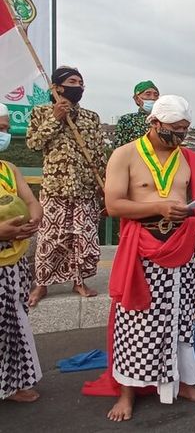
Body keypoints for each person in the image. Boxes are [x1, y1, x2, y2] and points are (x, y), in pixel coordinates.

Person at [82, 95, 195, 421]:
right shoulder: (124, 154)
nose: (180, 136)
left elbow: (194, 200)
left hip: (181, 248)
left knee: (180, 319)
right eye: (174, 129)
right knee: (137, 323)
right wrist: (158, 206)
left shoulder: (190, 159)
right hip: (142, 247)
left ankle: (182, 381)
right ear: (154, 123)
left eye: (185, 130)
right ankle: (127, 392)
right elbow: (114, 206)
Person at [26, 66, 107, 305]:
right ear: (57, 87)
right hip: (55, 188)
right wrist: (55, 118)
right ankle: (41, 284)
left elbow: (98, 153)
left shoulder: (91, 117)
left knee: (83, 238)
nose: (79, 86)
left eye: (81, 83)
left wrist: (103, 182)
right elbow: (34, 143)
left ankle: (79, 281)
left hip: (85, 189)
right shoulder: (41, 112)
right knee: (50, 237)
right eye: (73, 81)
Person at [0, 104, 43, 403]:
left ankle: (12, 384)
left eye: (4, 129)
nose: (2, 134)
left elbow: (31, 200)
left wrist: (35, 218)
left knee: (14, 324)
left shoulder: (8, 168)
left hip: (13, 262)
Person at [114, 80, 160, 147]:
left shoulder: (164, 120)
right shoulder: (126, 120)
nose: (153, 98)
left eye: (156, 95)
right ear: (137, 99)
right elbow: (118, 149)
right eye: (148, 94)